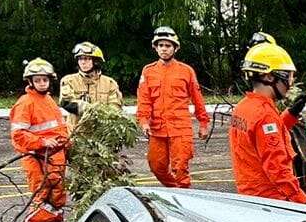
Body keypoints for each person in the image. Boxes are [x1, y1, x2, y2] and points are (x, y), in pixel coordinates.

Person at [229, 42, 306, 204]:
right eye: (288, 76)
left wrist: (291, 114)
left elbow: (265, 139)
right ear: (269, 77)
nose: (291, 82)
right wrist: (303, 202)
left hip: (251, 195)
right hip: (273, 200)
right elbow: (277, 168)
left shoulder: (244, 107)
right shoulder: (264, 115)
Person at [136, 26, 209, 188]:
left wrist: (203, 123)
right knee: (156, 166)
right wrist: (143, 121)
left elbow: (198, 98)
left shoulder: (186, 71)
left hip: (180, 128)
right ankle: (174, 189)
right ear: (155, 47)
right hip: (157, 128)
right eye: (160, 45)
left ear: (175, 48)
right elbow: (144, 99)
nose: (164, 49)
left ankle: (184, 196)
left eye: (168, 46)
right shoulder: (148, 71)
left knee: (180, 167)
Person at [11, 58, 70, 222]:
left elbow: (59, 128)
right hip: (36, 158)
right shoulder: (25, 103)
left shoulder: (49, 100)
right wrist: (42, 143)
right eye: (38, 80)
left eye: (44, 80)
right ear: (30, 81)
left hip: (55, 157)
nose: (42, 83)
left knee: (58, 196)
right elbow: (18, 135)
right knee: (42, 195)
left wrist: (67, 145)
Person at [59, 41, 122, 132]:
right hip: (76, 135)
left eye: (87, 59)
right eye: (80, 59)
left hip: (101, 137)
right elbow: (66, 102)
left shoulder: (110, 83)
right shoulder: (69, 81)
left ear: (96, 61)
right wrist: (89, 109)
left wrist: (102, 114)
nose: (83, 62)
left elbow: (115, 108)